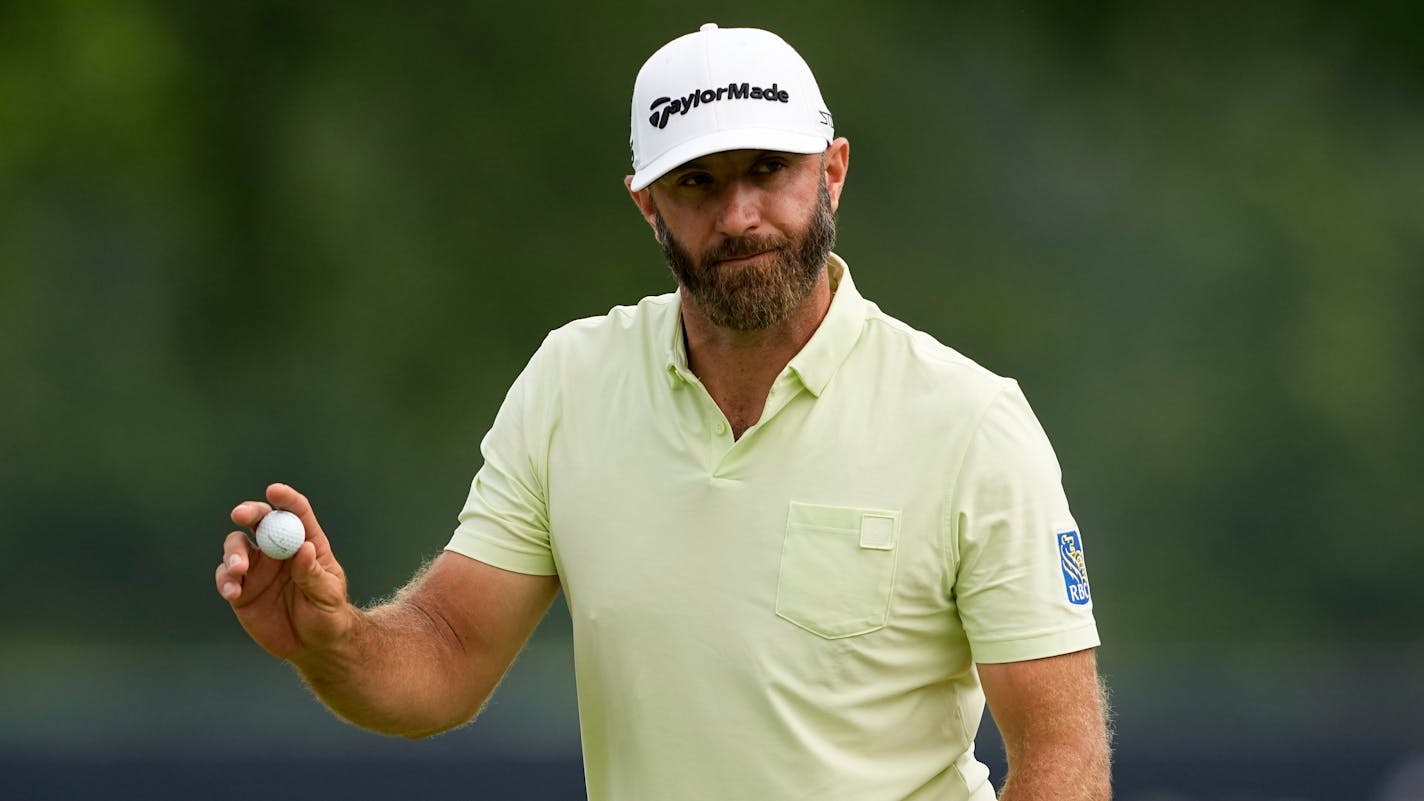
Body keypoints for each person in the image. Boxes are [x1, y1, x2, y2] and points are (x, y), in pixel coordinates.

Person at [215, 23, 1111, 801]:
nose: (740, 214)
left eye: (771, 170)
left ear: (832, 173)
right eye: (698, 183)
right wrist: (331, 641)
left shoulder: (970, 421)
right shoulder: (573, 380)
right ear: (647, 202)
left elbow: (1062, 753)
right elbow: (447, 651)